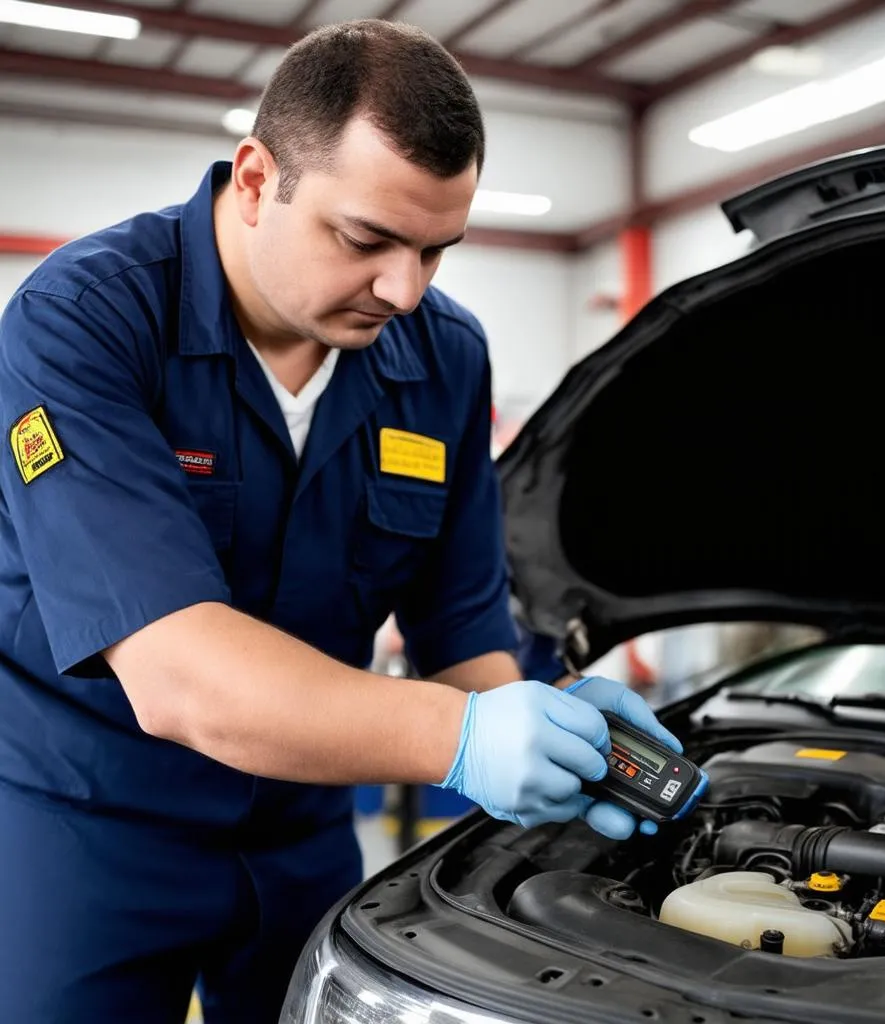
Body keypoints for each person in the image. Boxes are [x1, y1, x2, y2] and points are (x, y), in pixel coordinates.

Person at [0, 19, 694, 1024]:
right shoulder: (85, 320)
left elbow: (461, 631)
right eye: (366, 240)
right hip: (85, 819)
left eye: (435, 251)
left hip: (304, 823)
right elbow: (181, 675)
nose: (402, 290)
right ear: (254, 179)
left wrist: (553, 729)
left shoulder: (444, 358)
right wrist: (465, 738)